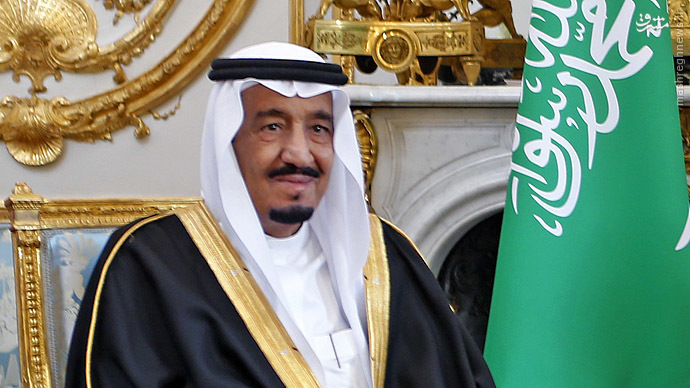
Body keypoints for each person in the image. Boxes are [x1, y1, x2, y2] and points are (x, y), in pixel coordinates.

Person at [65, 42, 495, 388]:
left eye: (318, 129)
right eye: (272, 127)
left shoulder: (385, 254)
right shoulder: (152, 265)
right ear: (229, 141)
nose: (299, 153)